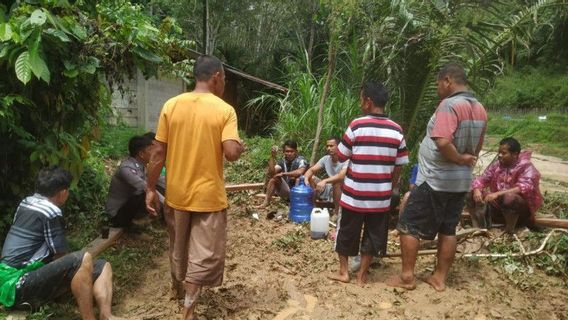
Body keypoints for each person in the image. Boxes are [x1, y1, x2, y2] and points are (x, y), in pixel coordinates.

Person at [145, 55, 244, 320]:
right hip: (208, 198)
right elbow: (231, 153)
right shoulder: (225, 110)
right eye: (224, 78)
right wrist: (239, 146)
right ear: (216, 78)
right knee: (203, 253)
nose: (224, 83)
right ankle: (188, 308)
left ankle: (177, 289)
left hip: (176, 195)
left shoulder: (172, 105)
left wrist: (151, 188)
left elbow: (157, 154)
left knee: (179, 246)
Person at [389, 63, 487, 292]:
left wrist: (458, 158)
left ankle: (407, 277)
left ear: (448, 81)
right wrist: (464, 161)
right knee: (448, 228)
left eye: (438, 84)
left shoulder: (449, 105)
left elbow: (442, 141)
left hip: (436, 178)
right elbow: (478, 146)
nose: (437, 88)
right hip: (460, 182)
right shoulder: (479, 108)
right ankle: (439, 278)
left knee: (409, 225)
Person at [0, 167, 121, 320]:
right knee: (83, 258)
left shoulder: (26, 202)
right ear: (63, 193)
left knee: (103, 266)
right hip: (18, 285)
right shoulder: (50, 211)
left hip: (10, 281)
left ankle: (106, 315)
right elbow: (61, 256)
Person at [328, 81, 409, 286]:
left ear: (368, 101)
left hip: (354, 195)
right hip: (380, 199)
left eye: (361, 97)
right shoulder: (397, 131)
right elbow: (399, 166)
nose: (360, 102)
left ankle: (344, 272)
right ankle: (362, 276)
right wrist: (389, 187)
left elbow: (341, 154)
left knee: (346, 233)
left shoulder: (357, 125)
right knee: (373, 237)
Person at [468, 137, 542, 234]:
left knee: (509, 197)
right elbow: (483, 178)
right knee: (469, 191)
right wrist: (477, 189)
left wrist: (497, 194)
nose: (500, 155)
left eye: (504, 153)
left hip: (520, 211)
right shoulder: (497, 165)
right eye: (499, 152)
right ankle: (478, 226)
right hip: (499, 207)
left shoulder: (526, 166)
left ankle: (509, 230)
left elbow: (523, 187)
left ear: (515, 154)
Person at [105, 134, 154, 228]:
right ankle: (135, 225)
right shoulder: (126, 168)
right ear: (141, 154)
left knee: (151, 188)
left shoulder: (142, 166)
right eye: (150, 150)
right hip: (117, 214)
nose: (153, 153)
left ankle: (141, 222)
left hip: (127, 208)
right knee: (146, 192)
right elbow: (145, 188)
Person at [256, 140, 308, 208]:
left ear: (296, 151)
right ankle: (265, 203)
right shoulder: (282, 161)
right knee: (273, 179)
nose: (289, 153)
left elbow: (300, 172)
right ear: (284, 152)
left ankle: (296, 204)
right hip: (287, 190)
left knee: (298, 178)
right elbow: (272, 172)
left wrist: (284, 174)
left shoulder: (301, 160)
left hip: (299, 191)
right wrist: (272, 157)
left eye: (291, 151)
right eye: (287, 151)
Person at [304, 136, 348, 216]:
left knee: (337, 183)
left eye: (331, 146)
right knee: (311, 178)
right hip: (329, 187)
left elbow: (341, 176)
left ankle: (337, 214)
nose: (328, 148)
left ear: (339, 146)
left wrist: (324, 181)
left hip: (343, 190)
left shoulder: (346, 160)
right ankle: (312, 209)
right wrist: (306, 179)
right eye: (327, 146)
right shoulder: (326, 159)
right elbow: (311, 170)